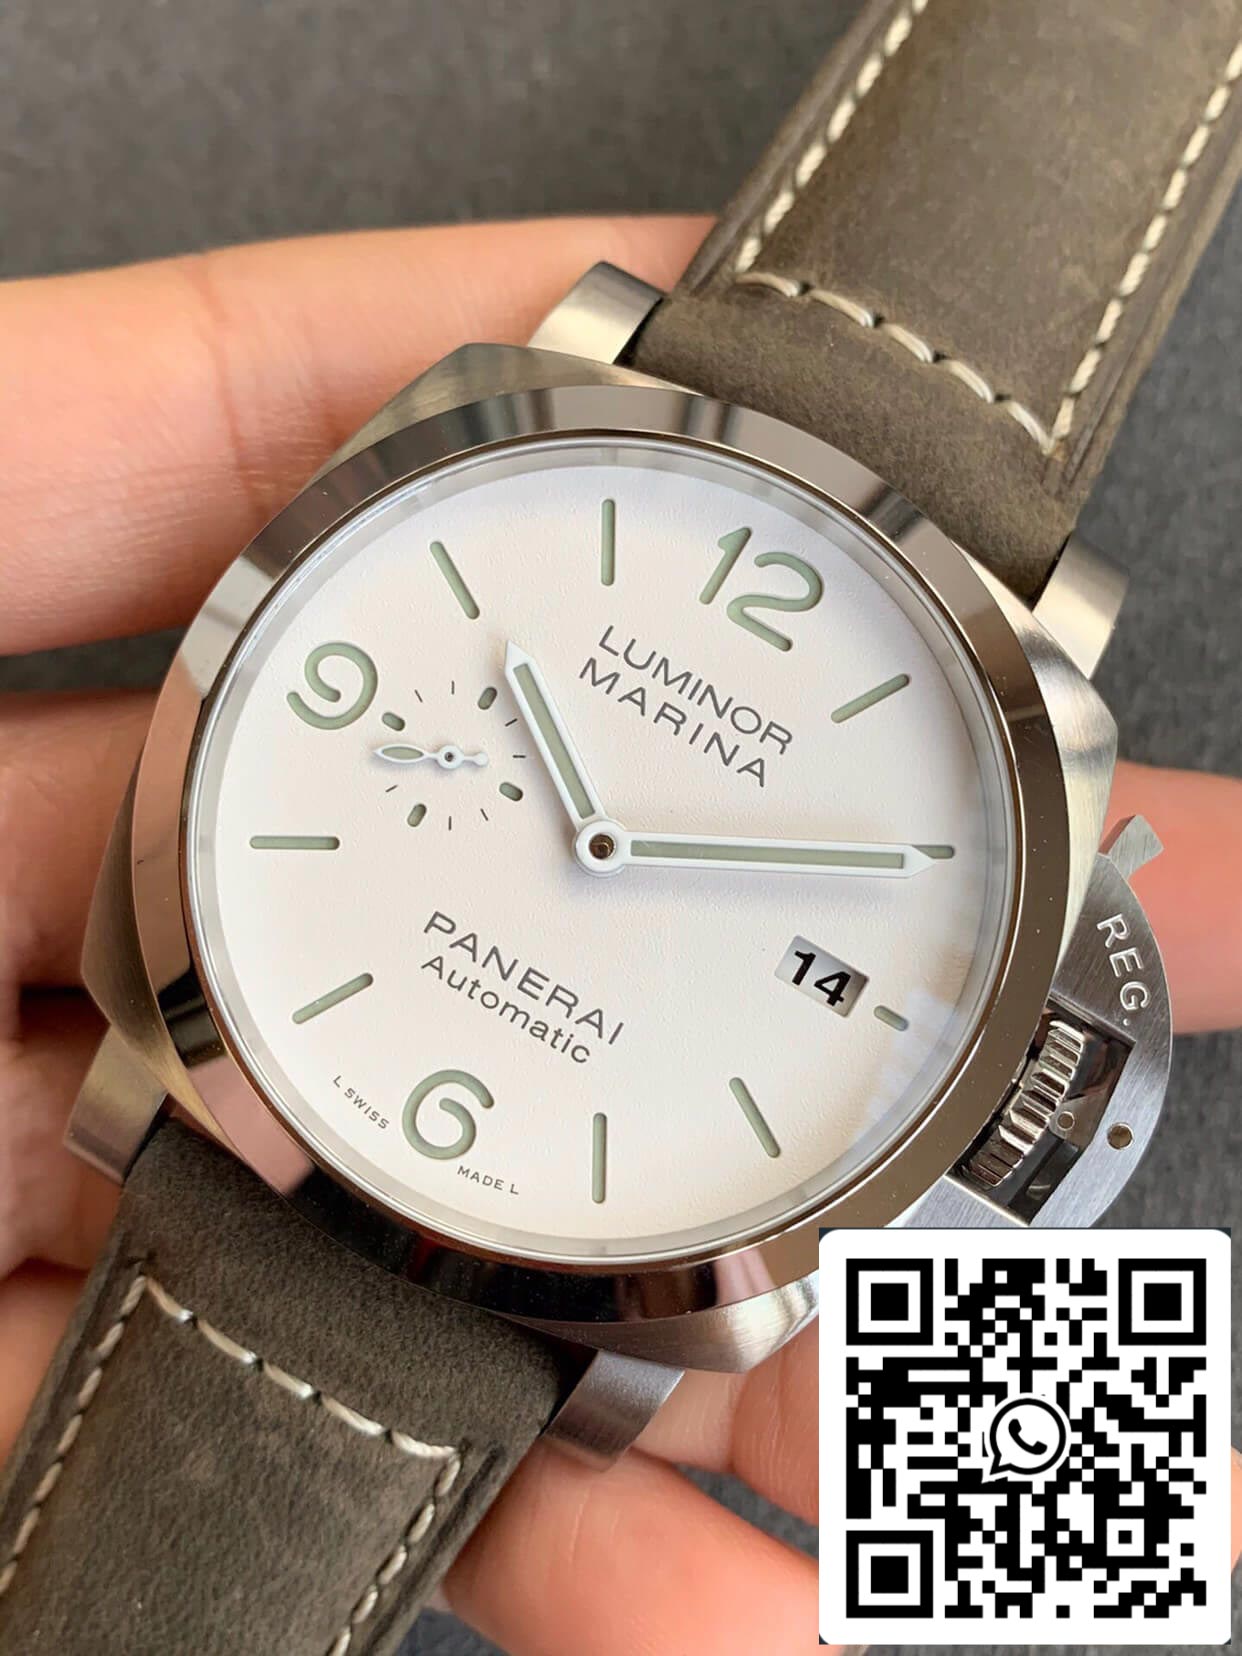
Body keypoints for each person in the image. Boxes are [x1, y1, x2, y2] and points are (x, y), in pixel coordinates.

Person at [0, 218, 1238, 1652]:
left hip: (494, 1248)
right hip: (273, 1118)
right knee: (1114, 1507)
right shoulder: (576, 371)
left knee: (1116, 1508)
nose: (600, 853)